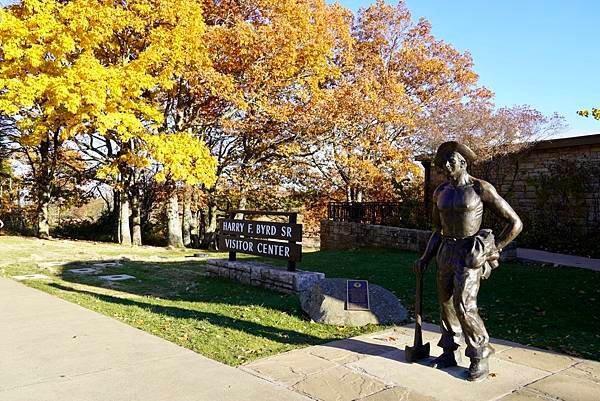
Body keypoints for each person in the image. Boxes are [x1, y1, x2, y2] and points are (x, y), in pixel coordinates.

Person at [414, 141, 523, 382]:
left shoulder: (480, 189)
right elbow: (437, 229)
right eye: (444, 162)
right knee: (446, 304)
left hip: (468, 253)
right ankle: (448, 352)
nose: (446, 165)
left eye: (451, 161)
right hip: (446, 252)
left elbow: (515, 223)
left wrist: (493, 249)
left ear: (463, 163)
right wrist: (425, 258)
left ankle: (479, 355)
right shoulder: (440, 192)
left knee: (464, 305)